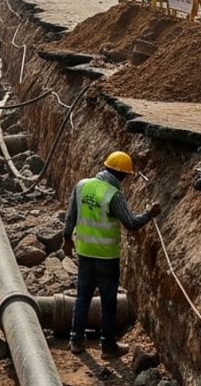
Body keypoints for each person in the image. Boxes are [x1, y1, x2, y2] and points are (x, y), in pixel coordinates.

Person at [63, 151, 161, 358]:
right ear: (120, 174)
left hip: (85, 253)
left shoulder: (82, 186)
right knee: (108, 302)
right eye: (125, 176)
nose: (125, 180)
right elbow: (131, 223)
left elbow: (71, 216)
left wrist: (66, 239)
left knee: (82, 298)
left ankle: (76, 341)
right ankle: (108, 347)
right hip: (106, 257)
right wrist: (149, 214)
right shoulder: (112, 195)